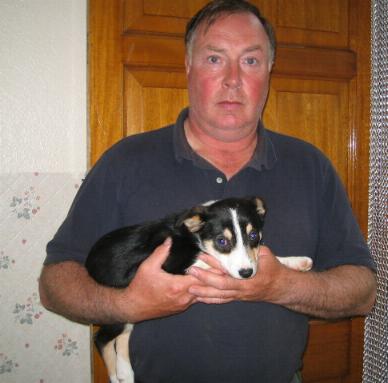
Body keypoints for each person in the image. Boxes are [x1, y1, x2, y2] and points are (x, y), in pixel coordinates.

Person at [39, 1, 376, 382]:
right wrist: (128, 303)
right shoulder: (124, 162)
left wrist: (282, 285)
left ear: (268, 70)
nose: (233, 79)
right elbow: (55, 284)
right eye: (215, 59)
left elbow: (362, 291)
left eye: (250, 61)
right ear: (188, 66)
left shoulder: (311, 166)